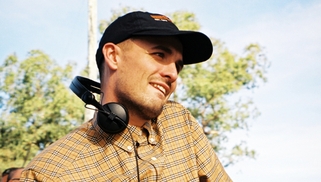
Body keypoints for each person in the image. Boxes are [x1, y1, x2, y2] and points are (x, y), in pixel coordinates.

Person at [20, 11, 232, 181]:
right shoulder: (48, 174)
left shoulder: (180, 122)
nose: (173, 74)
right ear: (113, 56)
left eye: (178, 65)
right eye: (159, 54)